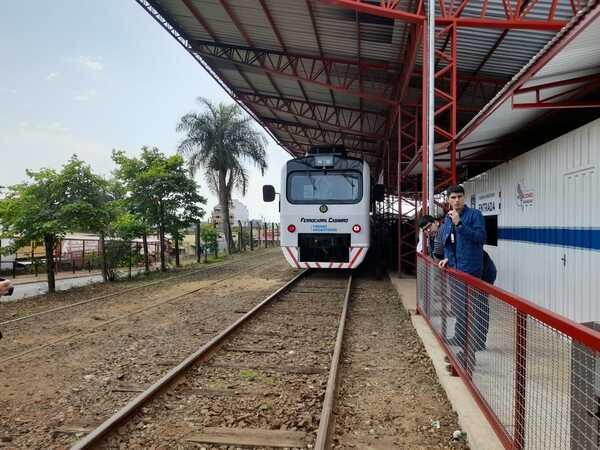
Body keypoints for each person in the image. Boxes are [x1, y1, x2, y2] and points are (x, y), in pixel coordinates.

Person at [438, 185, 486, 366]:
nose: (456, 200)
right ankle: (462, 347)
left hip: (471, 271)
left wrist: (460, 224)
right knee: (459, 310)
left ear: (464, 198)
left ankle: (469, 355)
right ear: (448, 200)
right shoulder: (448, 218)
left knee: (470, 312)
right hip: (456, 270)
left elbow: (480, 238)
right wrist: (447, 259)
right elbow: (450, 242)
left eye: (459, 197)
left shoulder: (475, 215)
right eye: (453, 197)